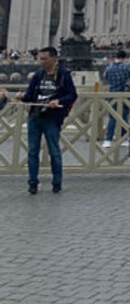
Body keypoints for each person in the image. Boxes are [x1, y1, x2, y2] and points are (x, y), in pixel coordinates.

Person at [16, 46, 77, 194]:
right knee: (32, 151)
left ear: (53, 58)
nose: (40, 61)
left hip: (52, 118)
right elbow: (31, 96)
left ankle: (57, 182)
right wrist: (22, 96)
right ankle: (32, 183)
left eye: (44, 59)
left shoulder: (64, 75)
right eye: (39, 58)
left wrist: (58, 100)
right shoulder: (38, 75)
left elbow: (72, 95)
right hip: (35, 116)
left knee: (54, 151)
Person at [102, 48, 130, 147]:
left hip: (112, 94)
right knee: (124, 116)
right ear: (124, 58)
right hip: (124, 95)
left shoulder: (109, 68)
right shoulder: (126, 67)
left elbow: (106, 78)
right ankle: (124, 139)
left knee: (112, 118)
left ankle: (108, 140)